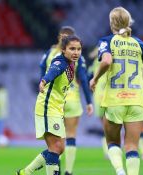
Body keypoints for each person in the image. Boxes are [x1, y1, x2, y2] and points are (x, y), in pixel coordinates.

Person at [90, 7, 143, 175]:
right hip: (137, 100)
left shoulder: (107, 41)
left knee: (113, 142)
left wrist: (95, 78)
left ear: (111, 23)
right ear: (128, 22)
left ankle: (119, 171)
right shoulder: (138, 43)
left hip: (115, 101)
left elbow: (107, 61)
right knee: (132, 146)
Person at [16, 35, 83, 175]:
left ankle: (25, 172)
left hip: (56, 108)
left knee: (60, 148)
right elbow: (54, 70)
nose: (76, 52)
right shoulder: (61, 62)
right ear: (63, 50)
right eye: (72, 49)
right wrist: (44, 81)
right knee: (56, 147)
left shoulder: (71, 63)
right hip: (47, 107)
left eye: (78, 49)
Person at [40, 26, 93, 175]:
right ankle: (68, 171)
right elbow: (82, 78)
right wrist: (89, 102)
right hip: (72, 100)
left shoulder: (50, 53)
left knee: (55, 141)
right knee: (70, 136)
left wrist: (42, 87)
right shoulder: (77, 56)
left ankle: (55, 169)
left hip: (54, 101)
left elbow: (42, 70)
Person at [88, 47, 108, 157]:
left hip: (98, 97)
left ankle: (107, 150)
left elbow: (88, 76)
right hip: (109, 96)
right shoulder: (109, 60)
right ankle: (112, 148)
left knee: (104, 126)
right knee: (112, 125)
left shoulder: (95, 63)